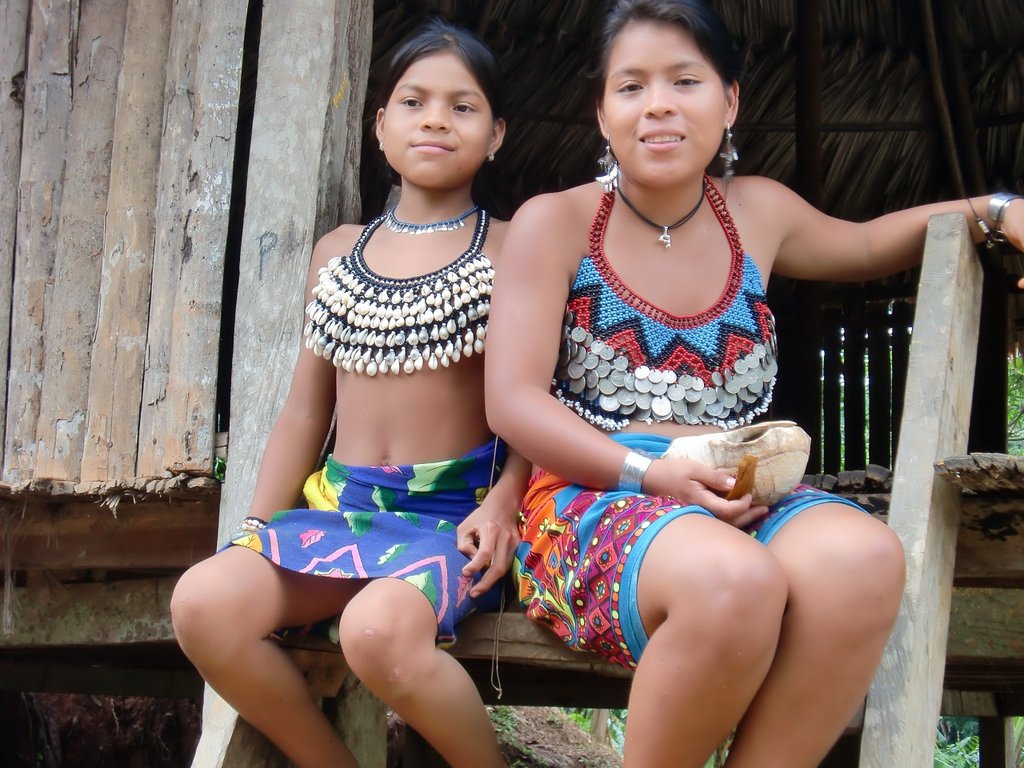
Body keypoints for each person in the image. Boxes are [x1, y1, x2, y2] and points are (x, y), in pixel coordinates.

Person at [484, 1, 1023, 766]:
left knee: (865, 561)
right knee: (733, 582)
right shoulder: (557, 222)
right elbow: (511, 401)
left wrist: (996, 211)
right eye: (631, 86)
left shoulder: (757, 212)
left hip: (740, 490)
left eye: (685, 81)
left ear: (730, 100)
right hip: (590, 496)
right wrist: (650, 475)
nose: (658, 104)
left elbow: (867, 243)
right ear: (602, 113)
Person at [171, 18, 528, 768]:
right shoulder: (340, 252)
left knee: (376, 632)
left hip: (453, 525)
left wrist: (504, 506)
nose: (435, 119)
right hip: (341, 512)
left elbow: (537, 403)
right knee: (202, 604)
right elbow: (307, 411)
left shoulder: (514, 249)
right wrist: (257, 527)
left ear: (496, 134)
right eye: (414, 102)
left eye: (462, 107)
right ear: (380, 124)